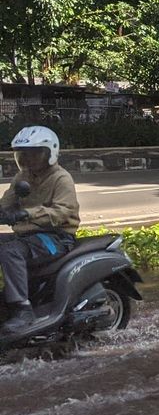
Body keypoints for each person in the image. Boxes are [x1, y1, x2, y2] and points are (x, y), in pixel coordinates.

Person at [0, 127, 80, 336]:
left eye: (35, 152)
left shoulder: (61, 178)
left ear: (49, 152)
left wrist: (26, 214)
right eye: (24, 154)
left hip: (57, 237)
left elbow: (62, 212)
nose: (29, 158)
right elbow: (6, 203)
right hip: (28, 236)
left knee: (11, 251)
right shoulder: (22, 177)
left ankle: (22, 310)